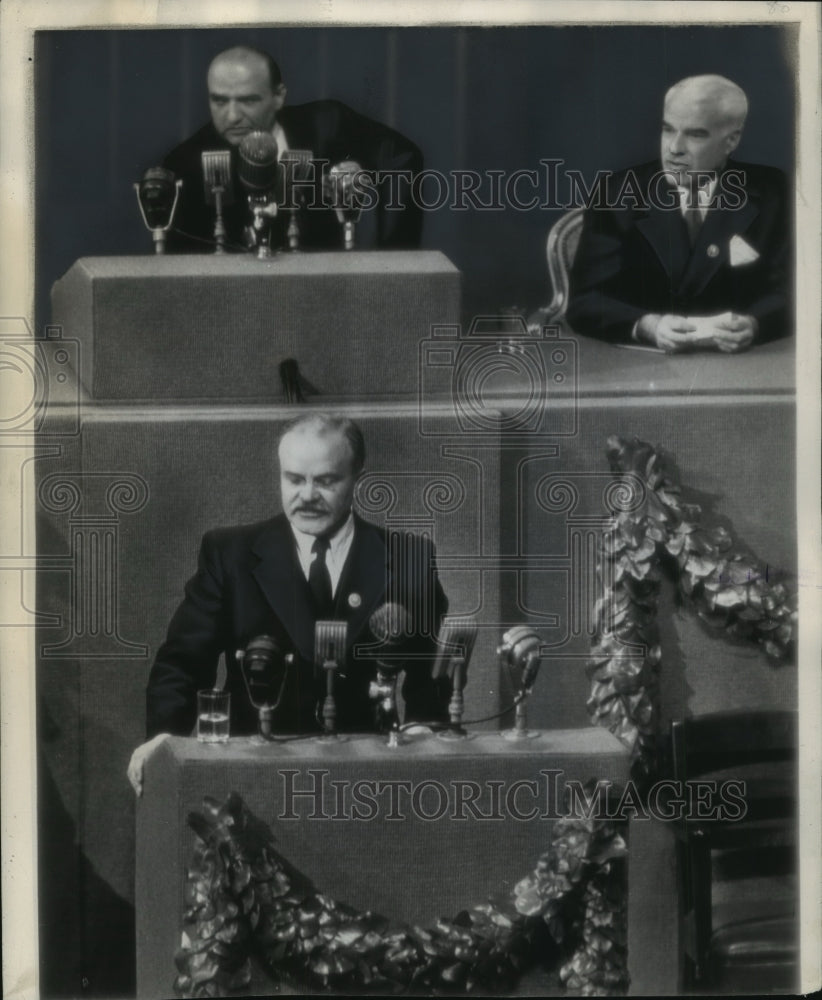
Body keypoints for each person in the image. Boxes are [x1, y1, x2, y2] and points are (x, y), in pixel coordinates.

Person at [127, 413, 449, 794]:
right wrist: (164, 737)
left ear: (357, 478)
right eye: (294, 479)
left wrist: (422, 734)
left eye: (326, 481)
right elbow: (183, 662)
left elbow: (428, 673)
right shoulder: (231, 555)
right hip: (253, 779)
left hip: (366, 781)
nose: (307, 495)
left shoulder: (407, 558)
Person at [564, 75, 790, 352]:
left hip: (745, 365)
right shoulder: (616, 193)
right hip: (642, 371)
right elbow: (585, 301)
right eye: (668, 129)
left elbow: (796, 291)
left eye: (695, 134)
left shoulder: (774, 193)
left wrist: (755, 324)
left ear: (732, 140)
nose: (674, 148)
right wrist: (648, 325)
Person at [160, 45, 423, 251]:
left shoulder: (329, 125)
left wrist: (365, 177)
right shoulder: (184, 166)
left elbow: (403, 158)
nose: (231, 117)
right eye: (219, 101)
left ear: (279, 97)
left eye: (248, 101)